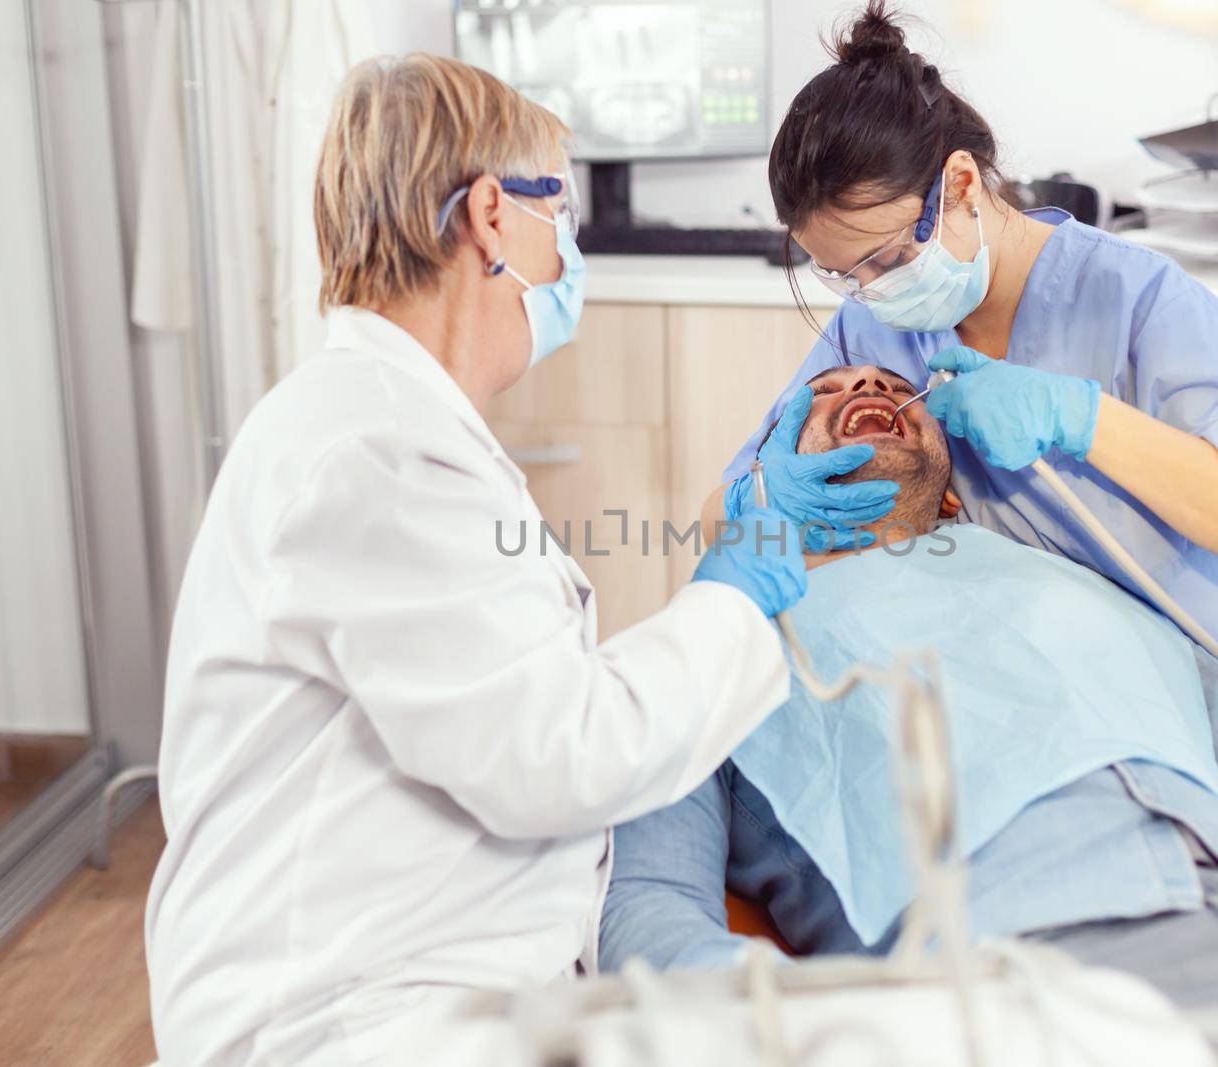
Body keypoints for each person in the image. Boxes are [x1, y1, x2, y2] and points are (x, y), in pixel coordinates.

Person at [145, 55, 810, 1066]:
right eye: (565, 216)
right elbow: (560, 753)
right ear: (493, 217)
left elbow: (523, 705)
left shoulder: (386, 424)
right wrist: (736, 587)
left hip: (420, 973)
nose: (570, 255)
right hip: (350, 1022)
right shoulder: (374, 454)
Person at [605, 364, 1218, 1065]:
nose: (868, 386)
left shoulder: (1081, 583)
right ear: (761, 479)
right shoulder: (714, 638)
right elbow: (647, 908)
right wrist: (824, 1031)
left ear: (952, 492)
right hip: (1028, 973)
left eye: (888, 384)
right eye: (826, 394)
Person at [700, 0, 1218, 757]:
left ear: (964, 185)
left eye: (886, 260)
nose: (872, 292)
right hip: (1038, 725)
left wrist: (1084, 420)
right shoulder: (871, 330)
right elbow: (716, 523)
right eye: (844, 276)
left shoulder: (1139, 302)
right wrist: (767, 496)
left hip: (1212, 708)